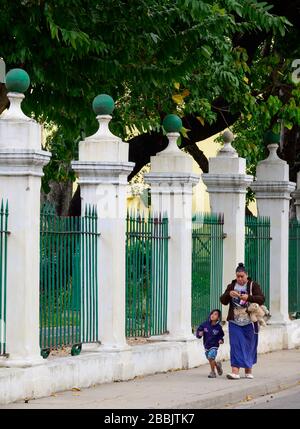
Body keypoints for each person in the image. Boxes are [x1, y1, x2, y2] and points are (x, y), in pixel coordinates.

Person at [220, 262, 265, 380]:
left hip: (250, 322)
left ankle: (248, 370)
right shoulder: (232, 285)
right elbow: (223, 300)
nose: (240, 279)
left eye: (242, 276)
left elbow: (261, 299)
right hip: (235, 321)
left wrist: (248, 297)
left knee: (249, 345)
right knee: (235, 345)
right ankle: (235, 371)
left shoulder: (253, 285)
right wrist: (229, 294)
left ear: (246, 275)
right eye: (238, 276)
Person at [196, 309, 224, 378]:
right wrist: (199, 334)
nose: (213, 315)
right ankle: (217, 366)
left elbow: (221, 336)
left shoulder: (219, 327)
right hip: (206, 345)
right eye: (212, 314)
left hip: (214, 346)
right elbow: (199, 332)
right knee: (210, 359)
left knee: (211, 357)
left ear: (218, 318)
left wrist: (221, 340)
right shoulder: (204, 324)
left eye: (215, 314)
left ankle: (213, 372)